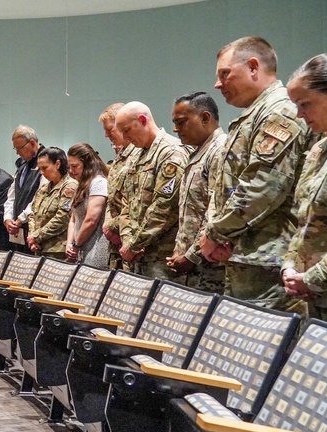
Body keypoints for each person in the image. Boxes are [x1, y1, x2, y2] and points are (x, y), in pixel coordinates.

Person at [200, 37, 308, 312]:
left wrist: (215, 232)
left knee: (267, 349)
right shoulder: (254, 115)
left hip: (269, 259)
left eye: (225, 74)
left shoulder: (280, 111)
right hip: (244, 253)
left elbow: (262, 188)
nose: (217, 84)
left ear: (253, 66)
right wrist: (221, 236)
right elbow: (225, 188)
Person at [281, 53, 327, 322]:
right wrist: (290, 266)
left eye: (305, 104)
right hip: (316, 294)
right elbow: (303, 218)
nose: (299, 114)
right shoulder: (321, 147)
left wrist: (315, 277)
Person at [115, 102, 188, 279]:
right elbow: (126, 203)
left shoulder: (171, 153)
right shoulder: (135, 156)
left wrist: (133, 244)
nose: (124, 137)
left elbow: (164, 208)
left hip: (160, 257)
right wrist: (127, 240)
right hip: (134, 255)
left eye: (127, 130)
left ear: (142, 120)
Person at [166, 92, 227, 291]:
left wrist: (192, 256)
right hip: (191, 265)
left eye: (181, 122)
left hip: (209, 267)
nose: (176, 129)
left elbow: (216, 211)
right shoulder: (198, 153)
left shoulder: (219, 150)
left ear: (205, 118)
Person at [15, 148, 77, 260]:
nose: (42, 173)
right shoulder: (44, 188)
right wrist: (32, 237)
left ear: (57, 164)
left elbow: (62, 218)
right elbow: (32, 213)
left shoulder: (69, 187)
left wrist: (37, 236)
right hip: (39, 248)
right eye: (40, 169)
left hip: (58, 250)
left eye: (45, 168)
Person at [99, 103, 139, 270]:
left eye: (109, 129)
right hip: (116, 245)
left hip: (132, 242)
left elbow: (135, 202)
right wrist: (108, 226)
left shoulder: (138, 155)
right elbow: (112, 199)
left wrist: (113, 226)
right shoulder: (119, 159)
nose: (106, 135)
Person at [65, 143, 109, 267]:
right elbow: (73, 220)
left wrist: (76, 244)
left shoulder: (98, 182)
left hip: (95, 249)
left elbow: (91, 220)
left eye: (75, 166)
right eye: (70, 166)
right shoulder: (81, 185)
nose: (71, 171)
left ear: (87, 164)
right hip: (80, 248)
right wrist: (70, 243)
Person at [4, 126, 46, 252]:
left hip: (35, 230)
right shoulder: (22, 165)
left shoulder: (45, 162)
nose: (17, 152)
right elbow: (11, 196)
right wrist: (7, 218)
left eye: (19, 148)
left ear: (32, 143)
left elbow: (40, 197)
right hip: (18, 230)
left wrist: (21, 219)